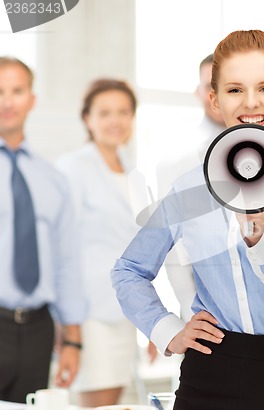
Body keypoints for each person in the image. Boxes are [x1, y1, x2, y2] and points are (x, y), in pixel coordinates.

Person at [112, 30, 264, 410]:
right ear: (215, 100)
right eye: (235, 90)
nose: (251, 102)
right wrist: (168, 330)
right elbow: (129, 269)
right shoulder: (187, 189)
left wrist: (259, 240)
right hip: (208, 374)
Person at [56, 79, 156, 408]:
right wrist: (64, 323)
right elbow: (60, 248)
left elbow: (144, 249)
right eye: (105, 112)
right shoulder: (72, 168)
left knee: (115, 401)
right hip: (89, 313)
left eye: (123, 112)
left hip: (126, 308)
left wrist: (153, 322)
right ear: (88, 119)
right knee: (95, 403)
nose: (116, 121)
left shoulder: (134, 172)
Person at [0, 57, 85, 403]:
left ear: (32, 100)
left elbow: (66, 261)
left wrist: (74, 341)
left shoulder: (52, 179)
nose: (7, 101)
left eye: (17, 91)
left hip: (38, 330)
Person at [156, 54, 227, 323]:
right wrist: (189, 306)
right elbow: (172, 244)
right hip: (203, 310)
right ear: (198, 92)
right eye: (209, 86)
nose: (216, 95)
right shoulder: (176, 161)